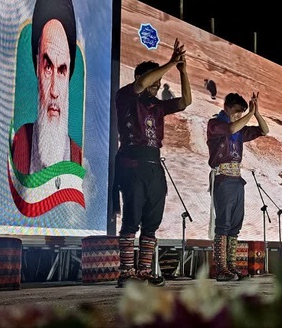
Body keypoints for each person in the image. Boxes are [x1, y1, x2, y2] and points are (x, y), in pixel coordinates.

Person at [114, 38, 192, 288]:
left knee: (152, 219)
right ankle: (126, 272)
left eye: (159, 82)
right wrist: (170, 62)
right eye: (153, 80)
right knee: (131, 217)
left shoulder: (156, 106)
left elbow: (185, 102)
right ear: (140, 78)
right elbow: (142, 84)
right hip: (132, 162)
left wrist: (182, 70)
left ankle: (144, 270)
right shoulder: (127, 96)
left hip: (154, 164)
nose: (157, 85)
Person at [12, 0, 81, 175]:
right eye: (48, 68)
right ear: (37, 67)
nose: (54, 91)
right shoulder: (19, 143)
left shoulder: (77, 157)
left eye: (62, 70)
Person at [207, 92, 268, 281]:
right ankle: (221, 269)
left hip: (237, 179)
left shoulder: (239, 128)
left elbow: (264, 130)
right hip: (223, 177)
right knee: (223, 224)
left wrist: (255, 112)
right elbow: (232, 128)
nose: (238, 116)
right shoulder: (215, 124)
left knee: (235, 225)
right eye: (236, 112)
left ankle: (231, 266)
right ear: (226, 107)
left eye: (241, 113)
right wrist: (249, 114)